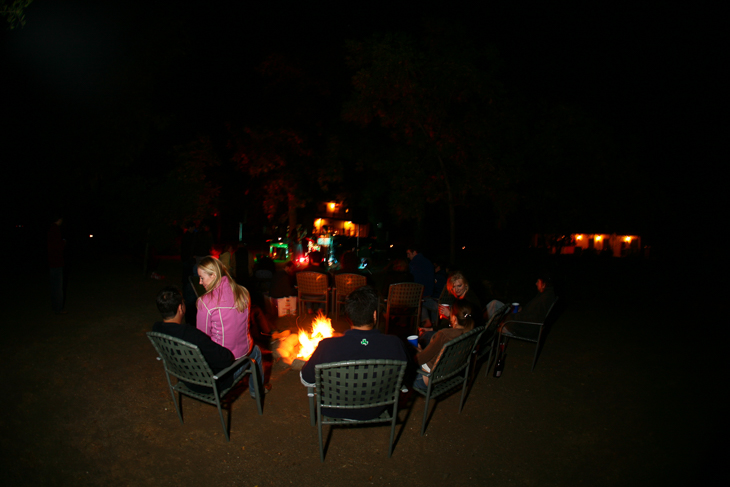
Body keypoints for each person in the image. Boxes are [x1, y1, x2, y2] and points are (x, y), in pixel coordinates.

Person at [300, 286, 407, 420]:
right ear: (375, 315)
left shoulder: (327, 346)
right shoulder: (394, 343)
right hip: (376, 408)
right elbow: (403, 381)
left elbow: (306, 380)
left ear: (348, 316)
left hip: (334, 409)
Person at [196, 256, 269, 397]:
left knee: (254, 352)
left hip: (226, 368)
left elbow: (203, 339)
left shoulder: (205, 302)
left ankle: (253, 388)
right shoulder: (243, 292)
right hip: (245, 354)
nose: (200, 282)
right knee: (257, 352)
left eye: (202, 278)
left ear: (214, 275)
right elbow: (244, 326)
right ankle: (256, 392)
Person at [152, 286, 245, 394]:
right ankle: (257, 390)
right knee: (254, 353)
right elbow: (225, 359)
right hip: (209, 384)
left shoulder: (156, 329)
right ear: (180, 308)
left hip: (185, 378)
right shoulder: (192, 335)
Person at [414, 301, 475, 388]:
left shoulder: (445, 335)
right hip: (447, 375)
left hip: (429, 378)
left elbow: (420, 359)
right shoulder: (471, 334)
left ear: (454, 318)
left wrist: (417, 351)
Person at [487, 274, 557, 334]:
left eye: (538, 281)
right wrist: (521, 309)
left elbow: (534, 319)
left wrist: (510, 316)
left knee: (496, 326)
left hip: (519, 327)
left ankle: (486, 329)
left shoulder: (544, 299)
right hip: (518, 320)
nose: (536, 283)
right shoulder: (544, 295)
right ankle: (486, 326)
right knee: (495, 303)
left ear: (543, 284)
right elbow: (531, 312)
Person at [406, 246, 436, 328]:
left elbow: (415, 280)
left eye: (409, 254)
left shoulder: (414, 263)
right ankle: (429, 321)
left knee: (422, 302)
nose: (408, 256)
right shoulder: (427, 261)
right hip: (429, 291)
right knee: (423, 303)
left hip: (421, 293)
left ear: (415, 252)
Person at [47, 215, 66, 314]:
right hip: (56, 262)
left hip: (52, 262)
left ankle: (55, 308)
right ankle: (58, 309)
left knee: (54, 286)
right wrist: (63, 243)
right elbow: (57, 246)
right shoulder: (55, 230)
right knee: (58, 287)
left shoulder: (50, 229)